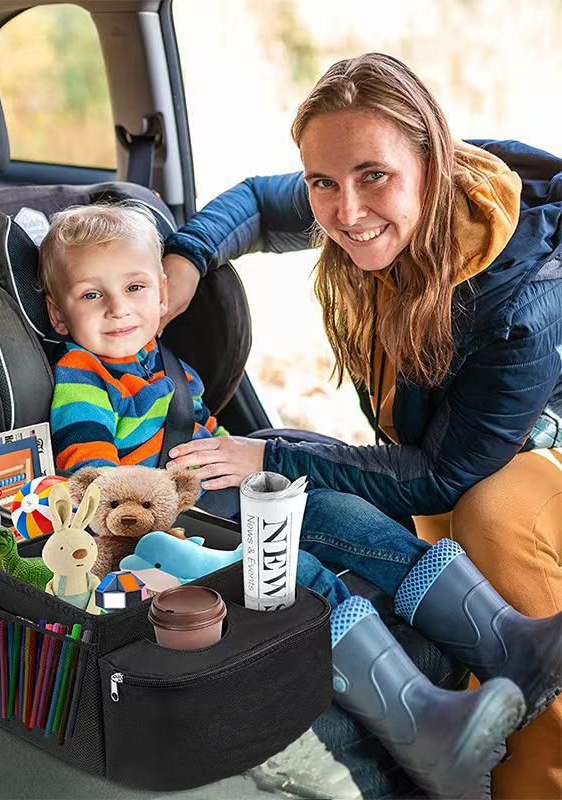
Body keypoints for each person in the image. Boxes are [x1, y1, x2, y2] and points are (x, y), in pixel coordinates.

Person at [39, 202, 561, 798]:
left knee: (345, 513)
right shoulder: (83, 378)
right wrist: (175, 491)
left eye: (134, 288)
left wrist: (242, 464)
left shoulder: (168, 366)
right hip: (166, 535)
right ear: (58, 313)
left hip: (223, 503)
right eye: (92, 295)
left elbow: (203, 437)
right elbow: (99, 485)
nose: (118, 308)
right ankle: (423, 726)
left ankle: (503, 641)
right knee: (293, 566)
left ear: (163, 292)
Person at [162, 52, 562, 798]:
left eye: (373, 176)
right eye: (323, 182)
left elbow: (441, 474)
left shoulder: (523, 302)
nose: (346, 212)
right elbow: (256, 202)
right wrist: (183, 262)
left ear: (432, 164)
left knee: (488, 510)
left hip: (530, 456)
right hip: (449, 453)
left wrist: (269, 458)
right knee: (286, 476)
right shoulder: (360, 196)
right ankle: (455, 705)